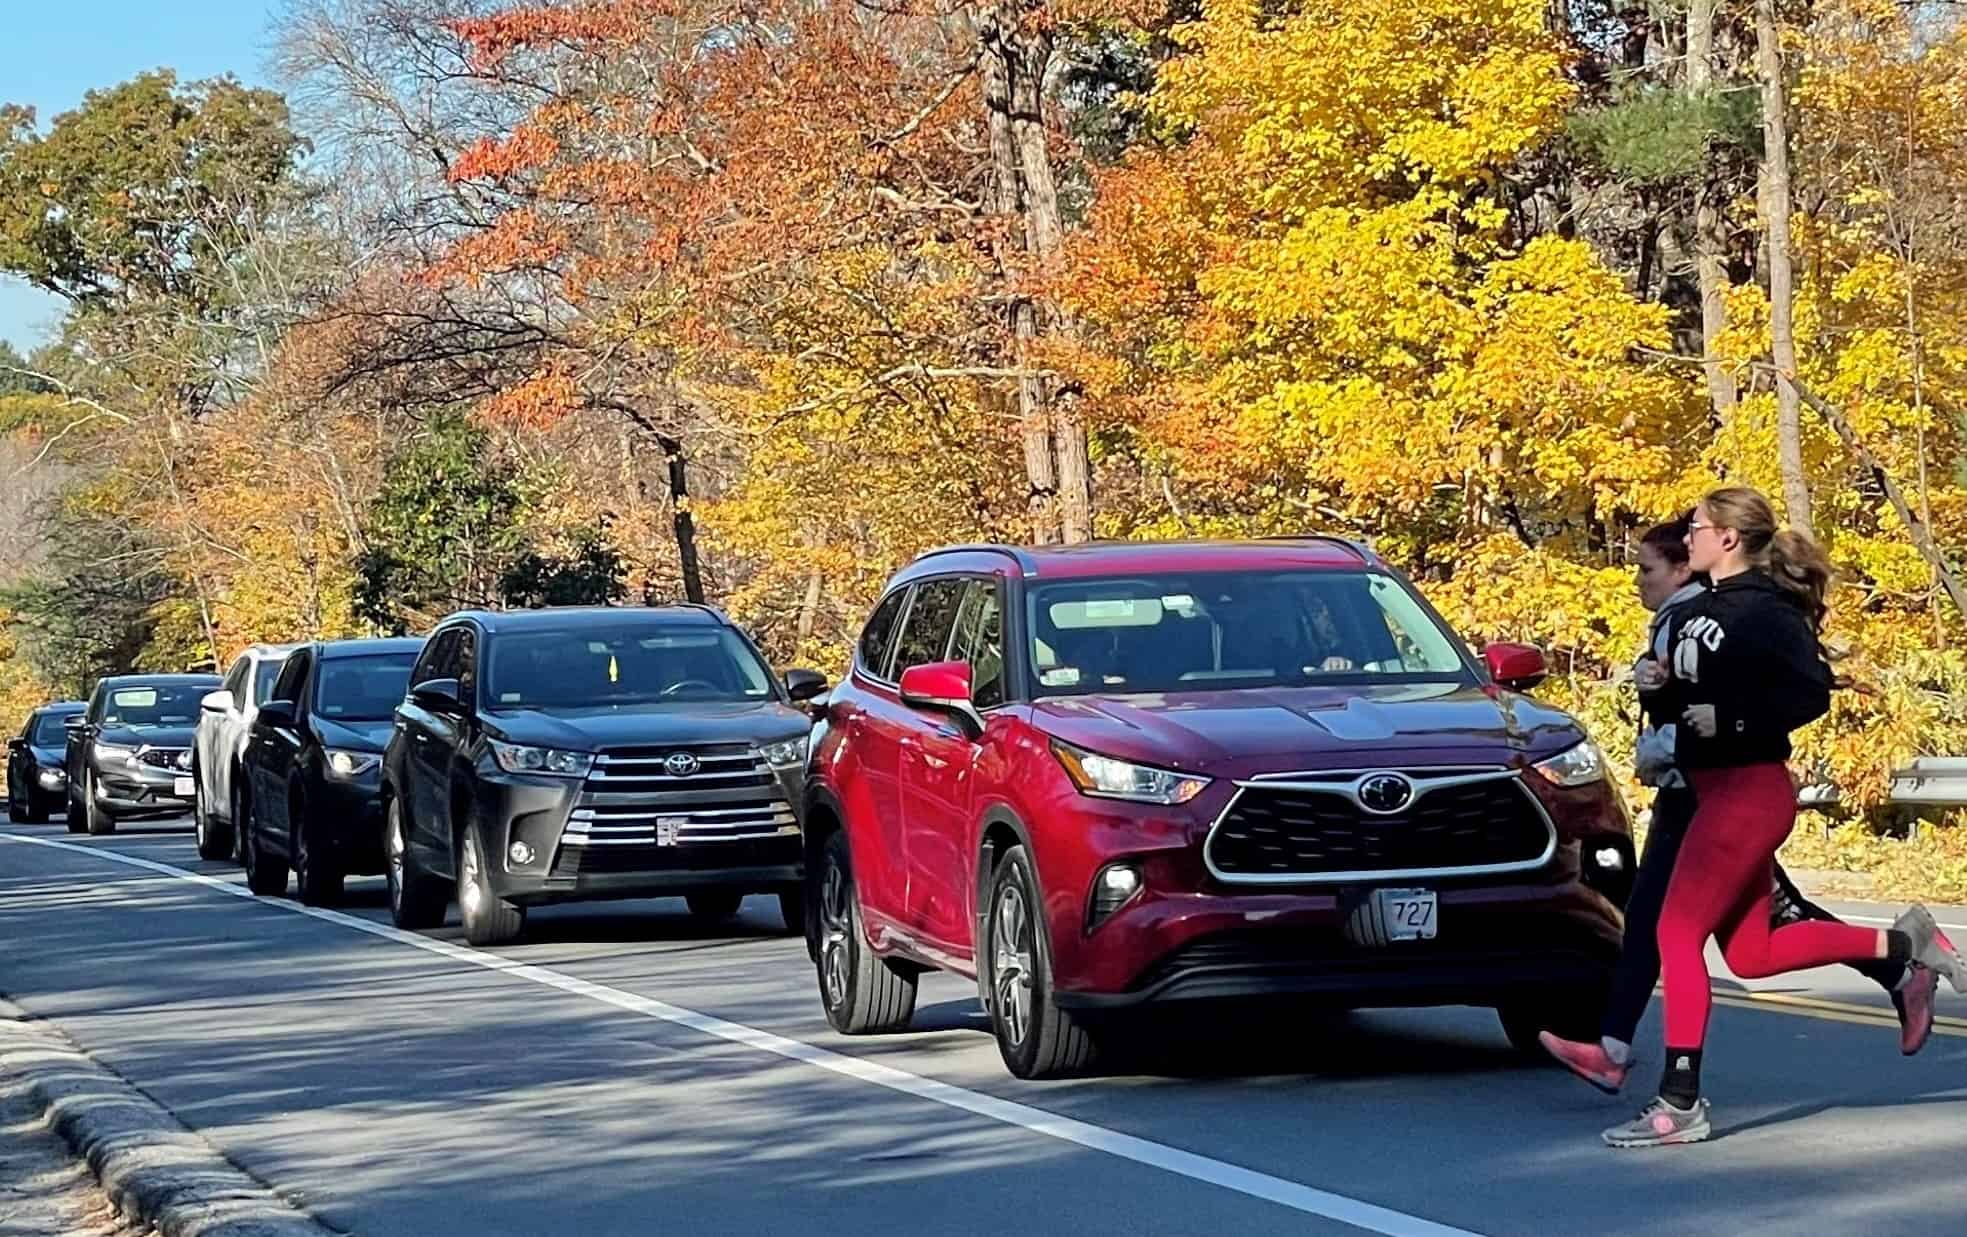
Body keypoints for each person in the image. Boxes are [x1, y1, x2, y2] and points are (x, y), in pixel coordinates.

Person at [1597, 486, 1965, 1149]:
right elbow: (1696, 697)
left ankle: (1679, 1100)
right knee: (1751, 952)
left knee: (1675, 934)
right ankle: (1904, 949)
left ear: (1728, 540)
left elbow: (1807, 692)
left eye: (1698, 527)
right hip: (1714, 791)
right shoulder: (1698, 610)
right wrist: (1663, 688)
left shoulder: (1765, 613)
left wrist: (1733, 718)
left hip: (1750, 790)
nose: (1689, 537)